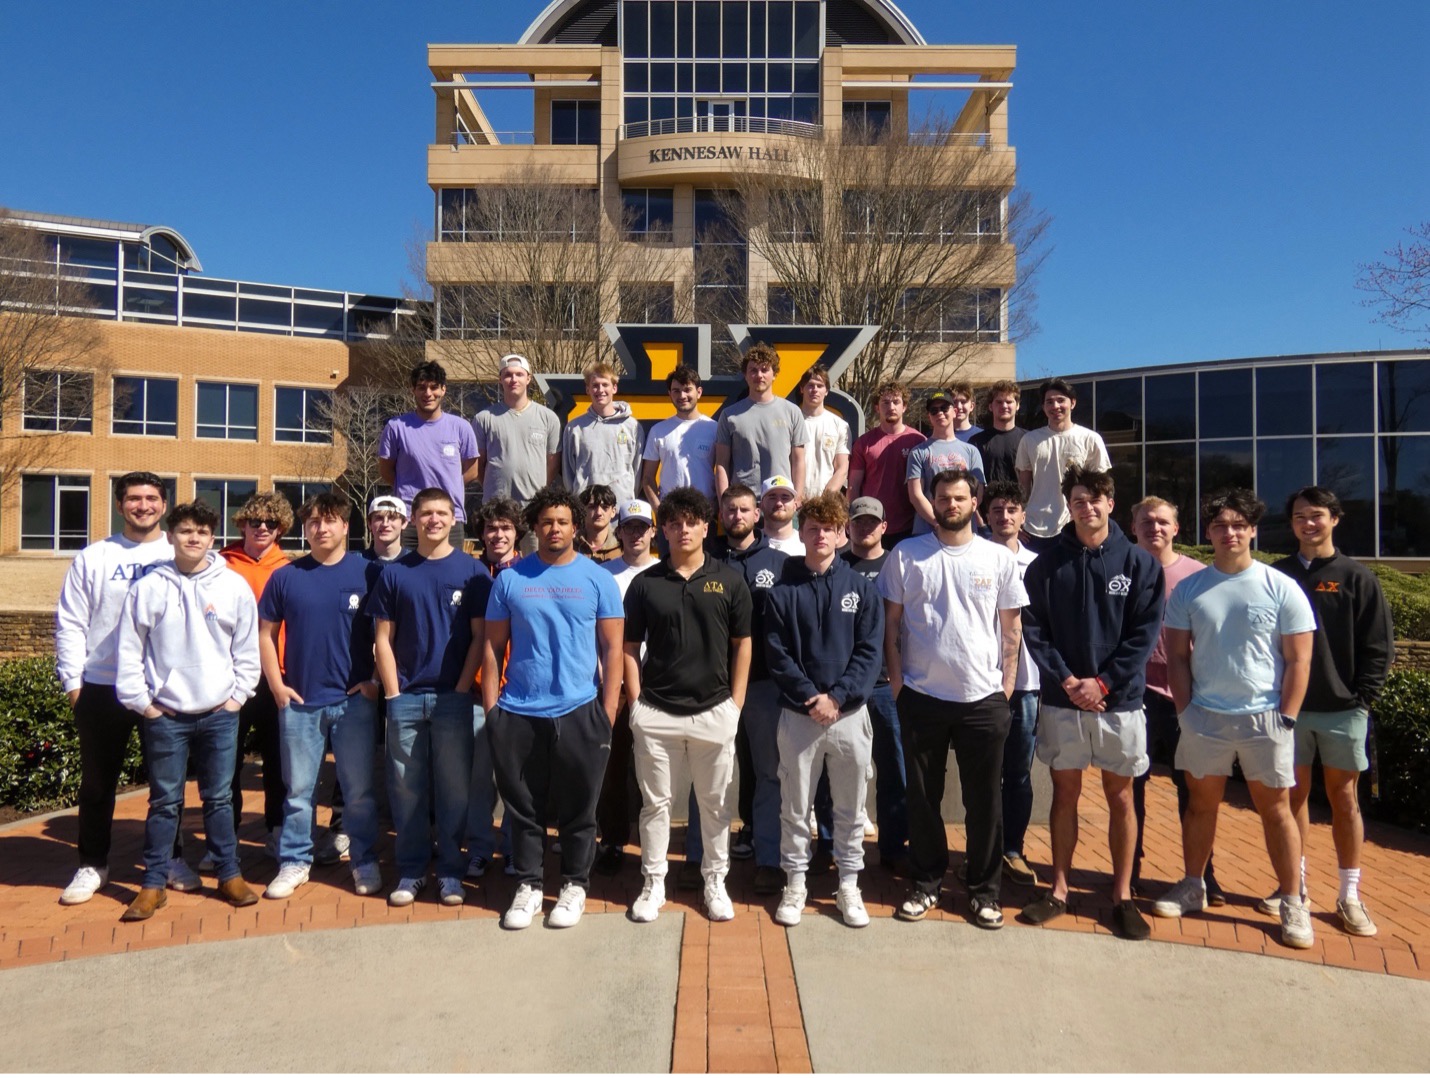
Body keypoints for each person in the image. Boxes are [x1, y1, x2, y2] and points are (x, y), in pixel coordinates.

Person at [1151, 489, 1318, 951]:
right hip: (1205, 718)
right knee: (1201, 805)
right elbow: (1178, 658)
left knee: (1276, 810)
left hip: (1266, 720)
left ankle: (1292, 900)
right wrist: (1185, 711)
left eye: (1238, 525)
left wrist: (1286, 716)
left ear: (1252, 530)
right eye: (1221, 526)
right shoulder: (1190, 589)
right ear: (1208, 533)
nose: (1230, 533)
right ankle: (1193, 884)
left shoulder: (1280, 586)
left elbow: (1299, 660)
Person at [1018, 468, 1164, 940]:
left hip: (1119, 704)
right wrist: (1068, 681)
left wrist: (1101, 684)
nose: (1088, 507)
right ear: (1069, 505)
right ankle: (1058, 889)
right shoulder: (1046, 566)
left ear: (1110, 503)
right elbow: (1035, 631)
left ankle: (1121, 896)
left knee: (1121, 797)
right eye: (1079, 500)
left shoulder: (1140, 565)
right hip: (1064, 703)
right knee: (1065, 795)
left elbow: (1143, 637)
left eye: (1096, 499)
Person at [878, 469, 1026, 929]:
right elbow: (891, 626)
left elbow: (1011, 629)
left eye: (960, 497)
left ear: (974, 501)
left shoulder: (997, 559)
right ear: (933, 503)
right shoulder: (907, 555)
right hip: (922, 697)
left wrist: (1005, 690)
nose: (952, 504)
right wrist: (899, 685)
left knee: (985, 802)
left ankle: (984, 891)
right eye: (944, 497)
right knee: (923, 798)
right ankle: (925, 882)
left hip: (983, 700)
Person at [482, 486, 624, 930]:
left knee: (580, 807)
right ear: (534, 526)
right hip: (519, 711)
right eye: (546, 521)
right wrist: (492, 712)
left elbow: (614, 649)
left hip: (581, 709)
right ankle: (527, 885)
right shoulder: (510, 579)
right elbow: (491, 648)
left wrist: (608, 712)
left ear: (575, 525)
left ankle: (574, 885)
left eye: (563, 521)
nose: (554, 528)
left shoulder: (598, 579)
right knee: (523, 808)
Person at [114, 500, 261, 920]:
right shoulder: (149, 587)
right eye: (185, 531)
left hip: (219, 713)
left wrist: (236, 698)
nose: (193, 538)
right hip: (167, 716)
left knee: (218, 799)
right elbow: (130, 651)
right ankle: (153, 883)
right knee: (164, 802)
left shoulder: (231, 586)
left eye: (201, 532)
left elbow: (246, 651)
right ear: (172, 536)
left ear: (212, 539)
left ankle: (229, 875)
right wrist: (144, 703)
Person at [55, 472, 191, 905]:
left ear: (164, 504)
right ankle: (92, 863)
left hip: (162, 689)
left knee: (166, 785)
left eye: (152, 498)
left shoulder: (180, 553)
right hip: (103, 686)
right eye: (134, 499)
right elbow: (71, 623)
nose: (143, 506)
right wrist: (74, 684)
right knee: (97, 784)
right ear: (119, 505)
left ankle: (170, 858)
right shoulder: (95, 557)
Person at [624, 487, 753, 923]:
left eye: (691, 522)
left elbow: (743, 645)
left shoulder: (730, 580)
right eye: (674, 523)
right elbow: (629, 646)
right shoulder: (646, 584)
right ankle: (653, 882)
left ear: (706, 525)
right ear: (664, 529)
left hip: (714, 713)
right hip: (656, 713)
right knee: (655, 804)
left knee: (715, 806)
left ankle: (714, 882)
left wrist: (735, 705)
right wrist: (636, 702)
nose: (683, 530)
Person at [1270, 486, 1393, 937]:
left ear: (1334, 519)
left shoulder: (1357, 577)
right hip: (1289, 710)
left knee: (1344, 800)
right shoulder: (1277, 575)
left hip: (1343, 711)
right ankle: (1295, 887)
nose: (1308, 523)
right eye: (1300, 516)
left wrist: (1361, 696)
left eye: (1317, 515)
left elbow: (1378, 646)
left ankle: (1350, 894)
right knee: (1292, 798)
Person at [257, 493, 382, 900]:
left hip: (353, 703)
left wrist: (375, 680)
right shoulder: (286, 577)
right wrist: (276, 684)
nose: (321, 528)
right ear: (305, 529)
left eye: (329, 521)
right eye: (313, 522)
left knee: (359, 792)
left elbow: (390, 632)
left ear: (346, 527)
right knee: (298, 791)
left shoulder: (370, 573)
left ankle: (363, 859)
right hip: (301, 702)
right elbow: (265, 635)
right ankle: (295, 860)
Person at [767, 494, 883, 928]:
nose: (820, 536)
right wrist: (811, 698)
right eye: (812, 528)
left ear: (841, 534)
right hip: (799, 717)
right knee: (795, 807)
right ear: (801, 533)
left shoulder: (861, 589)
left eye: (828, 529)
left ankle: (849, 883)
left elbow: (870, 654)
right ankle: (795, 883)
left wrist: (838, 697)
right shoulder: (782, 592)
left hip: (849, 716)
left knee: (851, 807)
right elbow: (777, 655)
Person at [370, 488, 489, 908]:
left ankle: (451, 873)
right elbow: (382, 639)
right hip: (405, 698)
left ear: (454, 517)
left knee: (455, 790)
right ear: (413, 520)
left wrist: (460, 688)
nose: (434, 520)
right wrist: (393, 692)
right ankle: (412, 869)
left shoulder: (473, 572)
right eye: (426, 514)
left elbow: (480, 638)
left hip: (453, 699)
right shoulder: (396, 573)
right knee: (406, 790)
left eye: (441, 513)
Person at [686, 484, 791, 895]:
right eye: (729, 510)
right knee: (707, 774)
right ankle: (699, 857)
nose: (737, 516)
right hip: (711, 686)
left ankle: (768, 858)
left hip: (765, 685)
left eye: (744, 509)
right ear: (720, 514)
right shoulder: (703, 561)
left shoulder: (781, 564)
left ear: (758, 513)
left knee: (768, 773)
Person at [1129, 496, 1221, 903]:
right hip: (1134, 695)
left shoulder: (1199, 576)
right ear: (1133, 527)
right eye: (1146, 522)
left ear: (1176, 528)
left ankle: (1203, 876)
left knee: (1193, 790)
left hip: (1187, 698)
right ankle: (1127, 866)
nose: (1155, 528)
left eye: (1163, 521)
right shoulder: (1121, 568)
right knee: (1130, 786)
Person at [218, 490, 295, 862]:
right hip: (229, 677)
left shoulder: (290, 569)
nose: (262, 528)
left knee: (278, 760)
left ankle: (277, 830)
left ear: (280, 529)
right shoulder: (220, 565)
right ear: (242, 524)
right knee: (226, 761)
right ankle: (226, 835)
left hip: (275, 677)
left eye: (271, 523)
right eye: (255, 521)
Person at [594, 498, 662, 875]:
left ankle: (652, 841)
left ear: (653, 531)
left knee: (654, 763)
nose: (635, 534)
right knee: (614, 762)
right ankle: (614, 839)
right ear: (617, 532)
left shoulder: (664, 571)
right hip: (612, 680)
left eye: (642, 527)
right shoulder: (603, 574)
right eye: (629, 527)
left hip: (658, 678)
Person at [840, 496, 907, 872]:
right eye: (858, 521)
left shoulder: (897, 565)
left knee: (893, 766)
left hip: (886, 683)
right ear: (848, 526)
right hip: (845, 685)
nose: (864, 527)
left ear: (884, 526)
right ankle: (831, 846)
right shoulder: (837, 566)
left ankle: (894, 847)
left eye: (872, 521)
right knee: (838, 769)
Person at [982, 481, 1041, 887]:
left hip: (1028, 686)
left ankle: (1012, 849)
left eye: (1011, 510)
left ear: (1023, 516)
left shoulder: (1040, 565)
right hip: (983, 684)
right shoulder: (976, 558)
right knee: (983, 772)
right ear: (985, 516)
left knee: (1018, 773)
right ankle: (981, 849)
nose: (1004, 517)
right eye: (997, 510)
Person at [465, 497, 526, 878]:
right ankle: (480, 848)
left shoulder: (531, 572)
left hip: (520, 692)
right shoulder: (470, 574)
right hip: (477, 692)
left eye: (505, 527)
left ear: (517, 531)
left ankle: (517, 848)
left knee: (518, 779)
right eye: (491, 528)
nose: (498, 534)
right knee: (480, 778)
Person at [378, 361, 479, 550]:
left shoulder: (461, 428)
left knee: (449, 576)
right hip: (409, 518)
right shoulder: (396, 427)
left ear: (443, 390)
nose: (428, 393)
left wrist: (449, 485)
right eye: (422, 388)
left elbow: (472, 471)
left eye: (434, 387)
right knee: (407, 575)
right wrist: (409, 489)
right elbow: (386, 471)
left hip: (450, 517)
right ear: (413, 391)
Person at [1015, 379, 1110, 553]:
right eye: (1049, 402)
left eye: (1060, 400)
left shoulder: (1090, 439)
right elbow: (1023, 485)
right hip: (1034, 527)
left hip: (1075, 524)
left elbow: (1101, 487)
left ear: (1072, 403)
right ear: (1043, 407)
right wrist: (1017, 519)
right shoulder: (1030, 440)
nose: (1055, 406)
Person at [715, 341, 807, 499]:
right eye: (753, 370)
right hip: (742, 503)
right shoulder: (729, 415)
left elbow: (798, 461)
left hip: (781, 501)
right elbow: (721, 464)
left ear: (775, 374)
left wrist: (797, 498)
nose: (759, 375)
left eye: (765, 370)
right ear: (745, 375)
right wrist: (724, 500)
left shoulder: (792, 412)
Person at [472, 353, 562, 510]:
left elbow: (553, 462)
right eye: (508, 375)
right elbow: (478, 465)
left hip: (533, 507)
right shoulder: (483, 418)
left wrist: (539, 491)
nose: (514, 380)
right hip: (496, 507)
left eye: (519, 374)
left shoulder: (548, 418)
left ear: (528, 378)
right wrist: (493, 487)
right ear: (500, 379)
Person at [850, 379, 925, 546]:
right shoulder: (864, 443)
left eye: (896, 402)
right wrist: (852, 517)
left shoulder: (918, 441)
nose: (891, 407)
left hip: (909, 526)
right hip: (871, 525)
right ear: (877, 407)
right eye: (885, 402)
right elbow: (853, 486)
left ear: (904, 406)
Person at [562, 361, 645, 504]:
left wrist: (626, 495)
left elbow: (637, 471)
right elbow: (568, 473)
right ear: (588, 389)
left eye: (605, 384)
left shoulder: (632, 426)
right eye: (595, 385)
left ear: (614, 388)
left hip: (621, 509)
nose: (600, 390)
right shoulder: (574, 428)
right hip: (586, 509)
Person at [906, 389, 986, 536]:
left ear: (954, 411)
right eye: (934, 410)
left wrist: (955, 522)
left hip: (964, 531)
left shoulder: (971, 451)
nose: (940, 413)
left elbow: (978, 493)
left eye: (944, 408)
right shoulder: (918, 452)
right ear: (929, 417)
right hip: (927, 533)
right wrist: (938, 522)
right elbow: (916, 495)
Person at [641, 365, 719, 508]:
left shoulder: (714, 429)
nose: (682, 396)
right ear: (670, 394)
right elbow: (647, 478)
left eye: (687, 390)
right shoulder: (658, 431)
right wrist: (659, 509)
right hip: (670, 513)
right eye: (676, 391)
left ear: (699, 392)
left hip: (705, 513)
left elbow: (723, 471)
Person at [797, 365, 851, 496]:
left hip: (825, 501)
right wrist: (796, 495)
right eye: (810, 385)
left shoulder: (840, 425)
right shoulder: (790, 421)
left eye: (819, 386)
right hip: (794, 500)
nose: (814, 390)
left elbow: (842, 468)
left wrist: (826, 498)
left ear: (826, 391)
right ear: (801, 389)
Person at [970, 380, 1026, 485]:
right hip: (988, 500)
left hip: (1021, 500)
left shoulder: (1028, 439)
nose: (1004, 406)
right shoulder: (977, 441)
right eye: (999, 402)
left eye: (1009, 402)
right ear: (990, 406)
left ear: (1017, 405)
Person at [758, 475, 804, 556]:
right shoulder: (751, 543)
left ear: (795, 506)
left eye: (785, 497)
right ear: (761, 505)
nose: (779, 503)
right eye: (772, 497)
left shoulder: (807, 544)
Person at [576, 484, 623, 562]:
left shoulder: (623, 547)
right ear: (582, 510)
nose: (598, 513)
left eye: (605, 507)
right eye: (592, 507)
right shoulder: (570, 546)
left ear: (613, 512)